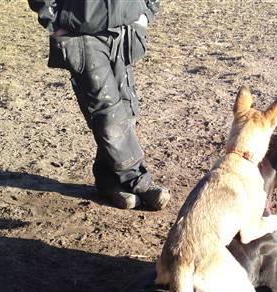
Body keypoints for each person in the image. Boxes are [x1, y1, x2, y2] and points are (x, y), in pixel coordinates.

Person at [28, 0, 170, 210]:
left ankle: (109, 182)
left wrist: (145, 13)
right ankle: (139, 180)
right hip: (80, 31)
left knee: (127, 111)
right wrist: (54, 20)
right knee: (107, 114)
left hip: (126, 27)